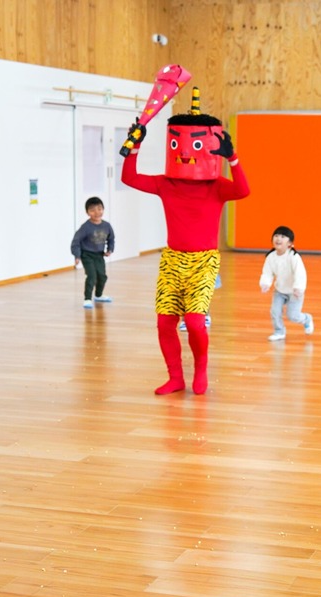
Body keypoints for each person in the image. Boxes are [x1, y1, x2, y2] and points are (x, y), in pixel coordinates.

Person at [121, 90, 249, 395]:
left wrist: (233, 158)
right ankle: (175, 377)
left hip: (204, 261)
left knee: (194, 321)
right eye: (176, 143)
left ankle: (201, 369)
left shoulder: (217, 186)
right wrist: (135, 145)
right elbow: (129, 177)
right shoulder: (167, 183)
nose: (185, 152)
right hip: (172, 260)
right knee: (165, 323)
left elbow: (243, 191)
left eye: (193, 144)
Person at [259, 225, 314, 341]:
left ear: (290, 243)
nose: (278, 239)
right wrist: (265, 283)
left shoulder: (293, 257)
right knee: (275, 311)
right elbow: (267, 272)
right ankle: (279, 331)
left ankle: (306, 319)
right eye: (276, 236)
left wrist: (299, 288)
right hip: (279, 290)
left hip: (294, 292)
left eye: (283, 236)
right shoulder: (271, 257)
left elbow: (300, 273)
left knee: (292, 316)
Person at [70, 196, 115, 308]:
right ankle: (87, 299)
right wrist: (77, 256)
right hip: (87, 255)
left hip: (99, 255)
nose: (97, 212)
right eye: (92, 210)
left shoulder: (107, 225)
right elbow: (76, 241)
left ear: (103, 209)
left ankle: (98, 295)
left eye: (99, 209)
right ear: (87, 212)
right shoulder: (86, 227)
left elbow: (111, 238)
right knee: (92, 276)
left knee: (102, 276)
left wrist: (109, 249)